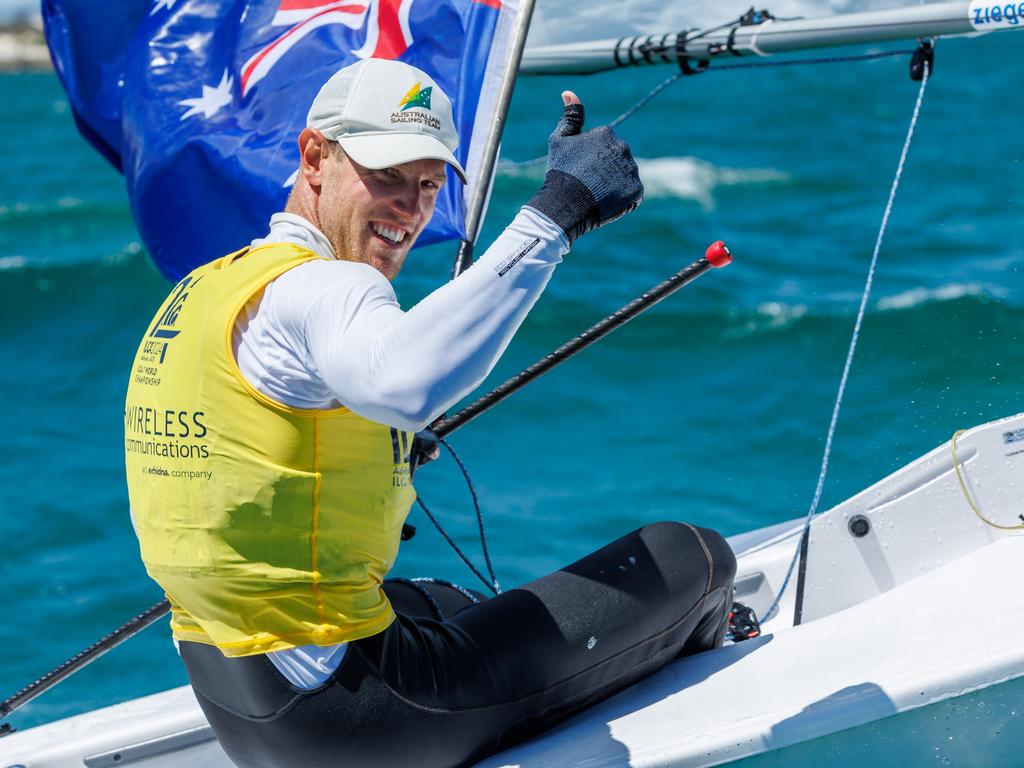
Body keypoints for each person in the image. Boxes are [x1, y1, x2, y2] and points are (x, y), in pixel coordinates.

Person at [125, 58, 736, 768]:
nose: (410, 208)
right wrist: (558, 211)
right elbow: (405, 378)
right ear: (314, 155)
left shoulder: (205, 292)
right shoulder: (325, 288)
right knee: (690, 557)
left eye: (427, 184)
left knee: (447, 599)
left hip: (244, 702)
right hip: (361, 717)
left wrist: (381, 445)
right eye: (386, 176)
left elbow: (250, 459)